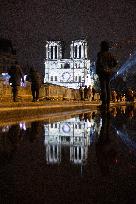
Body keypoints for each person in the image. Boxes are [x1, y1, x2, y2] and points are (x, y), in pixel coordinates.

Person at [96, 41, 117, 110]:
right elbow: (115, 62)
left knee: (103, 87)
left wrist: (101, 68)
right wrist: (110, 67)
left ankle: (104, 103)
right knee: (108, 87)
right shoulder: (110, 54)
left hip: (102, 72)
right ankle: (108, 103)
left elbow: (99, 62)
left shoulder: (100, 54)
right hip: (108, 72)